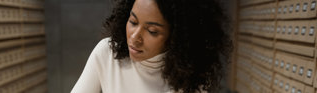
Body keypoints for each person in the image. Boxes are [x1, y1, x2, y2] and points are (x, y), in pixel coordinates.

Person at [71, 0, 231, 93]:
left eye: (152, 31)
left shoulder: (192, 79)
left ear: (177, 37)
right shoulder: (107, 53)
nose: (135, 37)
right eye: (133, 22)